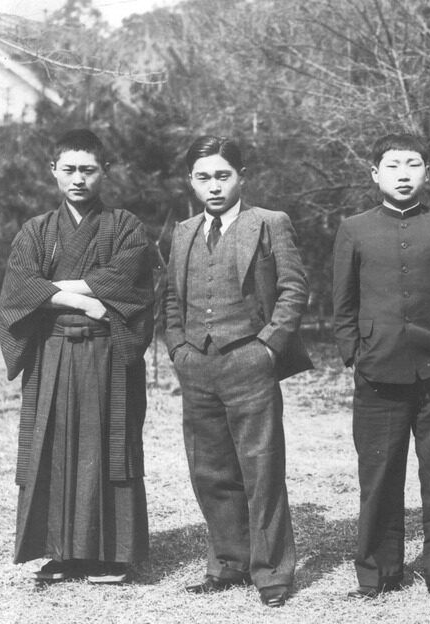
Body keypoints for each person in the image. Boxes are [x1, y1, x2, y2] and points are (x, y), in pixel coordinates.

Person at [0, 129, 155, 584]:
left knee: (110, 444)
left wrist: (54, 290)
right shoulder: (37, 230)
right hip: (52, 352)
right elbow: (17, 290)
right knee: (54, 443)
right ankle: (60, 552)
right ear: (53, 171)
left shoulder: (126, 226)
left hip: (109, 352)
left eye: (88, 169)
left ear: (104, 171)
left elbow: (127, 280)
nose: (79, 179)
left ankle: (113, 555)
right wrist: (86, 301)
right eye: (69, 169)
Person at [163, 136, 312, 608]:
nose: (213, 186)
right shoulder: (184, 231)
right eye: (203, 177)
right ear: (191, 181)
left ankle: (271, 572)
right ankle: (228, 562)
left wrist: (267, 347)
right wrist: (178, 348)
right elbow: (170, 297)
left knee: (261, 468)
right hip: (196, 366)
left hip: (250, 361)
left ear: (241, 177)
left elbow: (294, 290)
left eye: (223, 176)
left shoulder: (268, 223)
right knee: (209, 469)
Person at [331, 133, 430, 604]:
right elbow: (343, 300)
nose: (402, 173)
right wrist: (353, 351)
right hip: (377, 369)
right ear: (374, 173)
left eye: (412, 164)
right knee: (378, 477)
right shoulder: (354, 228)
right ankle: (377, 573)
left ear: (427, 174)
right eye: (392, 165)